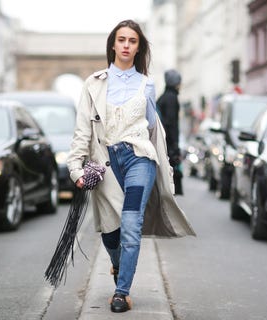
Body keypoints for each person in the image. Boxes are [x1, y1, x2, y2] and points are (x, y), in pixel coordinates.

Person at [66, 20, 195, 313]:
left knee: (132, 224)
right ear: (113, 44)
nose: (126, 45)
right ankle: (118, 265)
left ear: (139, 47)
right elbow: (81, 131)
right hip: (106, 163)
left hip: (139, 156)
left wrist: (165, 159)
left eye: (132, 41)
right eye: (121, 39)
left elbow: (152, 126)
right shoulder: (93, 84)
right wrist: (76, 170)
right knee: (112, 231)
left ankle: (121, 293)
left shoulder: (147, 84)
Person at [157, 69, 183, 195]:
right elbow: (171, 123)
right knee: (169, 181)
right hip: (168, 144)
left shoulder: (163, 97)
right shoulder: (172, 98)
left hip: (162, 142)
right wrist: (175, 146)